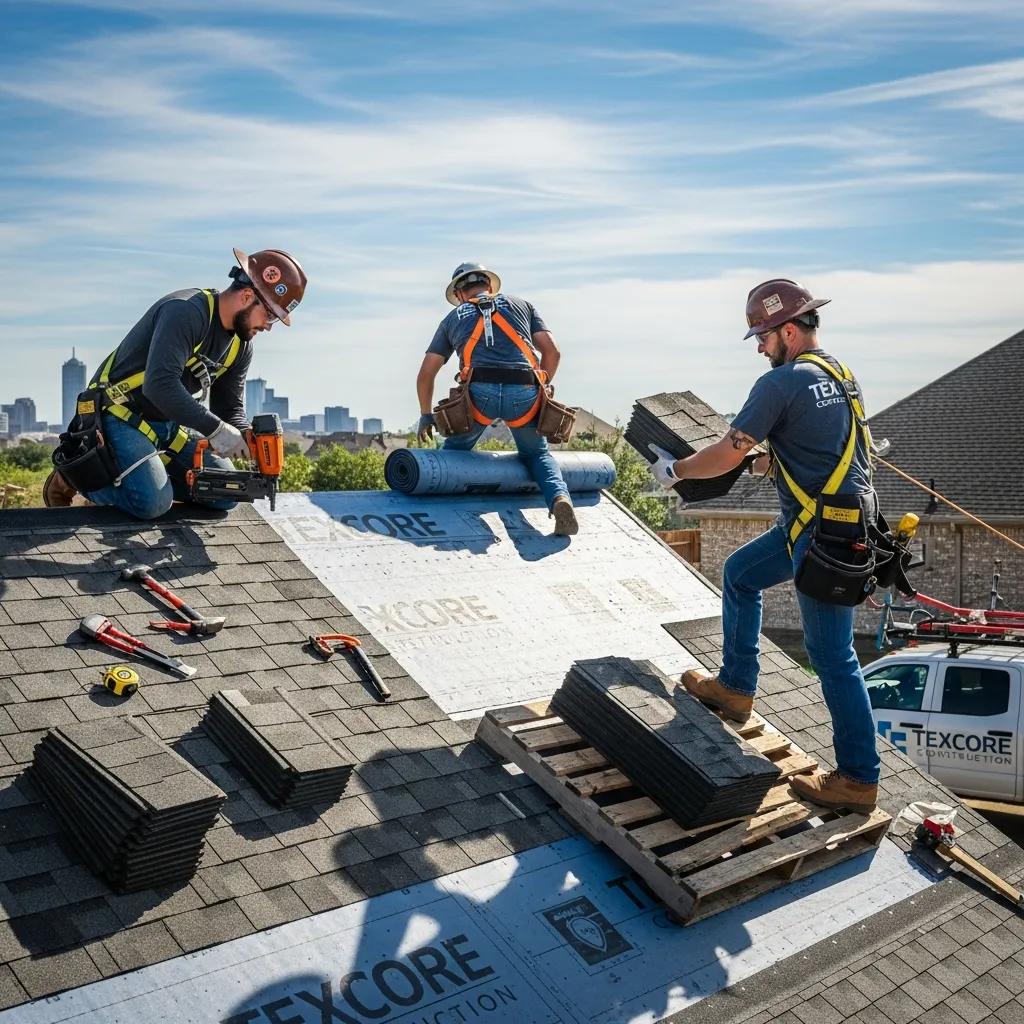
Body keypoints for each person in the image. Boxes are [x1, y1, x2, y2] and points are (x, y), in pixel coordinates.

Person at [648, 279, 880, 813]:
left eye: (763, 336)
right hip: (840, 525)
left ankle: (858, 780)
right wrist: (774, 460)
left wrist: (675, 471)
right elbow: (825, 445)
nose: (758, 346)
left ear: (789, 330)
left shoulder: (778, 384)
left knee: (833, 656)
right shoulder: (839, 374)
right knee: (740, 573)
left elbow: (727, 454)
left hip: (822, 538)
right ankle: (735, 686)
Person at [44, 247, 307, 520]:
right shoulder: (186, 311)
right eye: (271, 315)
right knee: (153, 503)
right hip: (119, 416)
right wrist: (216, 429)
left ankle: (147, 479)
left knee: (226, 492)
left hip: (169, 426)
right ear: (247, 296)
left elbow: (228, 408)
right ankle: (73, 479)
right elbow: (159, 384)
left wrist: (246, 438)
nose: (269, 326)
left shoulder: (240, 346)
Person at [415, 262, 579, 536]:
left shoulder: (453, 318)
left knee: (454, 455)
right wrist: (542, 388)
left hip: (478, 397)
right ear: (489, 286)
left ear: (459, 294)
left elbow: (425, 375)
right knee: (537, 454)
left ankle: (440, 517)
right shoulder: (522, 305)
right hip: (524, 394)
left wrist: (425, 414)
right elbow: (553, 352)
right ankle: (560, 499)